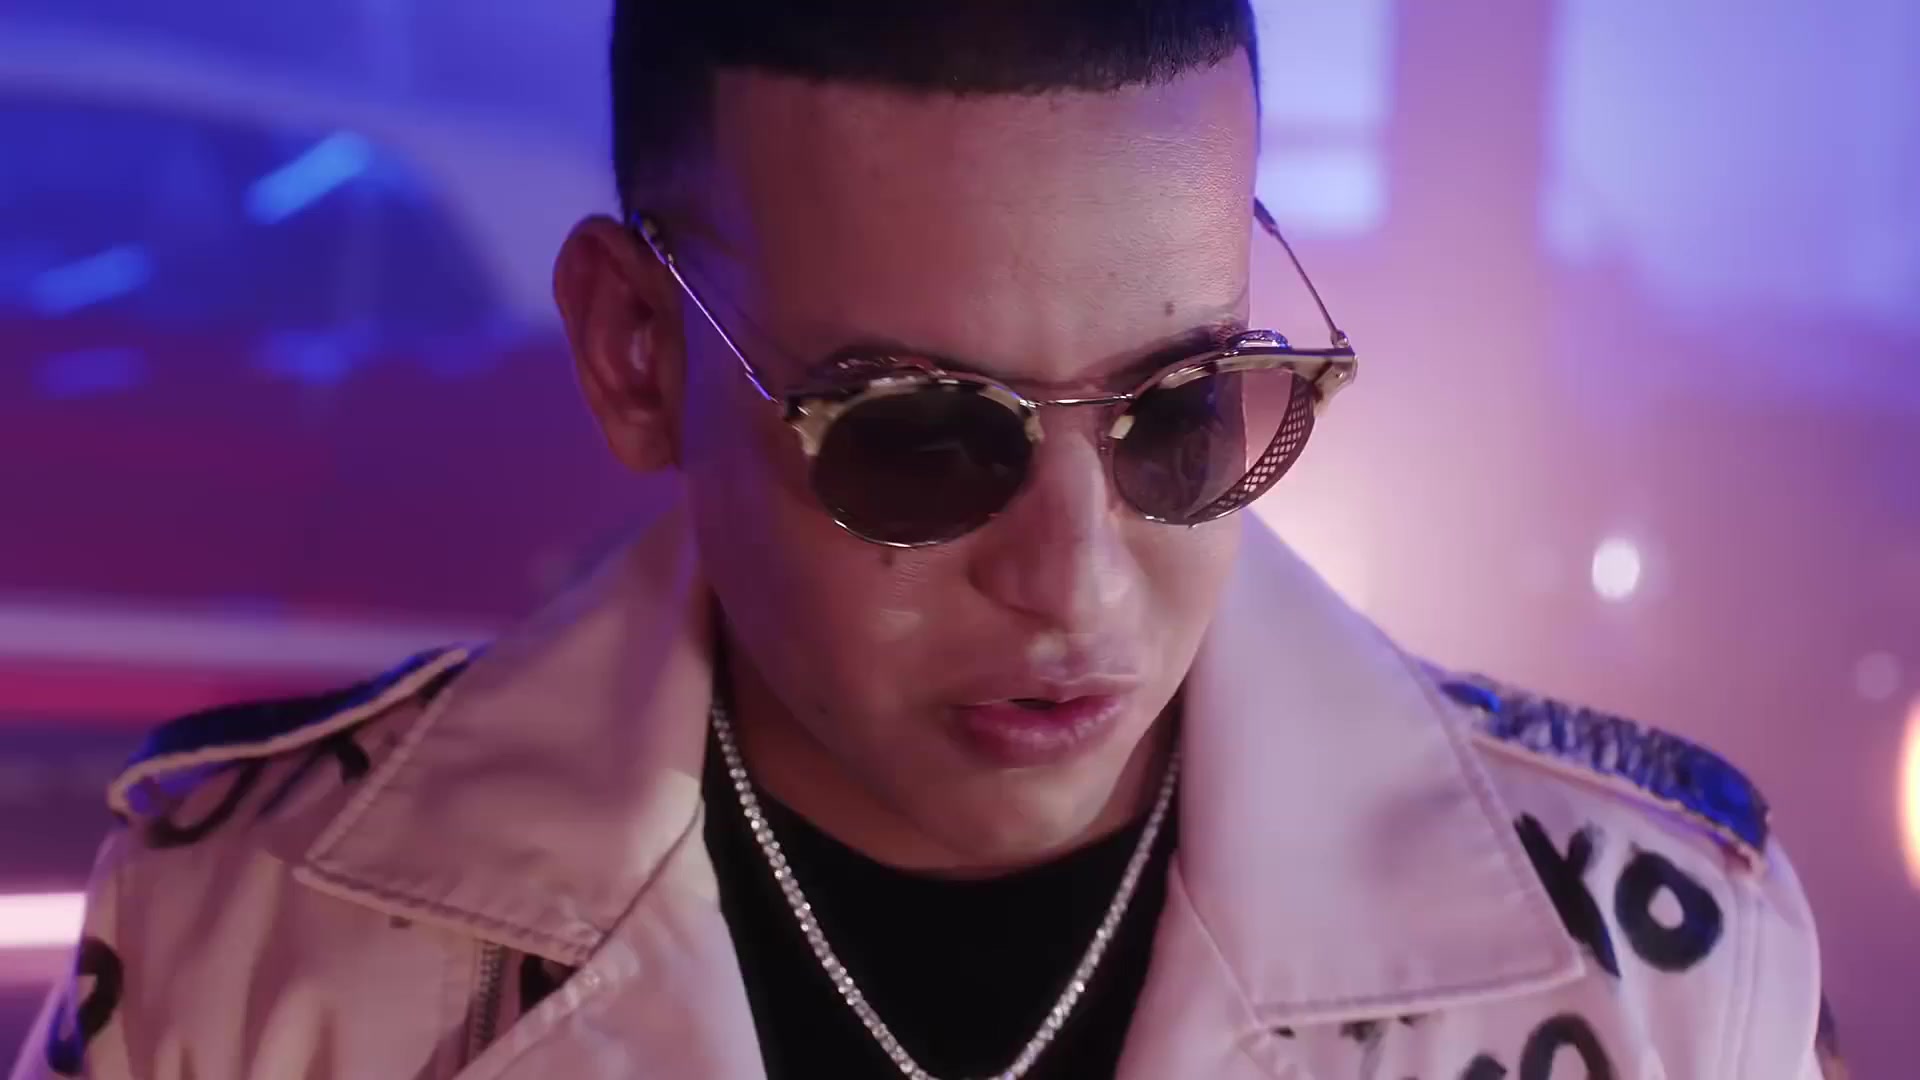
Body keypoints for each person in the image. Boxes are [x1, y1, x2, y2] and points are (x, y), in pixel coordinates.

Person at [14, 3, 1834, 1078]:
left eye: (1181, 409)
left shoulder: (1664, 975)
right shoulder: (244, 948)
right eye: (923, 440)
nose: (1076, 581)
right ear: (638, 355)